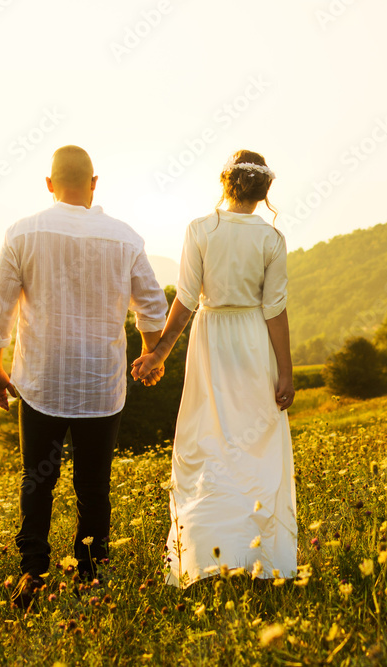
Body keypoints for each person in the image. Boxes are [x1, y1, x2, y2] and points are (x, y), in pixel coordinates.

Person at [0, 145, 168, 610]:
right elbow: (153, 308)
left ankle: (34, 572)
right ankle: (91, 575)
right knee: (93, 485)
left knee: (36, 481)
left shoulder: (23, 233)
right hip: (100, 385)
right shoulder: (125, 238)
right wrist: (150, 355)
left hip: (41, 380)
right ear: (94, 183)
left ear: (49, 184)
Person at [131, 149, 297, 587]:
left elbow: (185, 299)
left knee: (208, 444)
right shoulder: (272, 239)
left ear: (227, 183)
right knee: (254, 447)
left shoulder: (200, 229)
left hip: (211, 343)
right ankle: (258, 558)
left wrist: (160, 353)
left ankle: (206, 556)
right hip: (253, 341)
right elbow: (275, 310)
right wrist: (286, 371)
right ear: (264, 191)